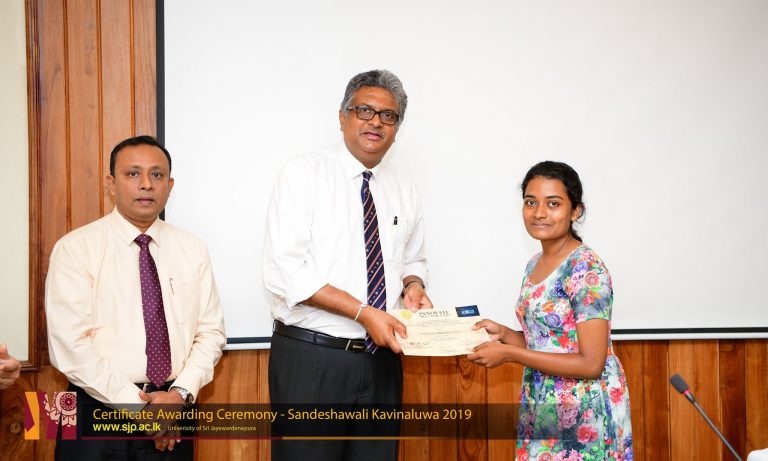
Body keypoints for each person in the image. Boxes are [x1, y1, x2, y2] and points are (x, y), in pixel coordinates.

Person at [263, 69, 432, 461]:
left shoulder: (403, 188)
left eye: (388, 116)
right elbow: (285, 272)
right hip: (313, 359)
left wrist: (413, 285)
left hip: (383, 361)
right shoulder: (303, 173)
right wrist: (363, 312)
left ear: (397, 128)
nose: (376, 122)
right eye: (364, 110)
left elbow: (413, 259)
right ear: (342, 117)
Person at [45, 135, 226, 460]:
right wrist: (138, 408)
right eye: (133, 174)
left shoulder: (192, 248)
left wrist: (178, 395)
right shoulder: (75, 248)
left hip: (174, 411)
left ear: (170, 186)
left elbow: (211, 333)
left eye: (157, 175)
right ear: (111, 184)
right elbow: (70, 347)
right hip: (93, 407)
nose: (146, 184)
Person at [468, 161, 632, 460]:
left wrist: (509, 354)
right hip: (544, 402)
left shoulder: (586, 269)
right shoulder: (534, 263)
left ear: (575, 211)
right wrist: (503, 334)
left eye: (553, 203)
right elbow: (546, 343)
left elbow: (591, 364)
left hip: (585, 411)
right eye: (531, 202)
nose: (539, 213)